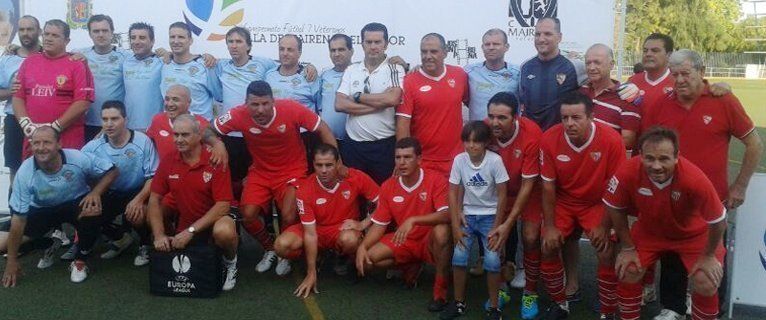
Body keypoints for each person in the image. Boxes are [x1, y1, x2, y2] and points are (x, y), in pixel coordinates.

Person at [645, 49, 764, 317]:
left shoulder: (724, 101)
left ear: (701, 71)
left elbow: (754, 144)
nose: (679, 80)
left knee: (712, 257)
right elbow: (646, 148)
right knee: (671, 255)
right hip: (671, 198)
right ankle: (672, 308)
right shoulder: (661, 104)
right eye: (674, 75)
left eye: (685, 73)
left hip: (712, 202)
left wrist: (740, 186)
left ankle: (710, 308)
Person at [212, 80, 340, 276]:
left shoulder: (290, 108)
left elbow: (321, 127)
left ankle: (285, 255)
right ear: (246, 103)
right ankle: (270, 248)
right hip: (260, 172)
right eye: (254, 104)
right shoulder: (238, 114)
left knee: (289, 214)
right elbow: (208, 130)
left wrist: (337, 162)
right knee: (248, 214)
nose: (260, 110)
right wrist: (217, 143)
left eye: (265, 104)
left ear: (274, 102)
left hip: (292, 170)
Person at [604, 127, 728, 320]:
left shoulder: (693, 178)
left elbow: (719, 220)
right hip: (650, 232)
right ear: (641, 156)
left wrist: (708, 255)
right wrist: (627, 247)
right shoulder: (628, 170)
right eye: (650, 158)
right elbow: (614, 206)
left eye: (664, 159)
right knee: (628, 270)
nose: (656, 165)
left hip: (694, 236)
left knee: (705, 280)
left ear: (677, 156)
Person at [538, 91, 626, 319]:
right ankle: (560, 304)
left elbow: (615, 190)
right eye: (564, 118)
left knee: (606, 249)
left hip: (598, 202)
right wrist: (549, 226)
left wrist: (604, 226)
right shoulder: (549, 139)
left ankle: (608, 310)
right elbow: (548, 187)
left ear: (591, 117)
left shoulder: (611, 140)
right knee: (548, 245)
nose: (569, 123)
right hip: (564, 202)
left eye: (576, 117)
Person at [1, 126, 118, 285]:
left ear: (59, 144)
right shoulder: (25, 173)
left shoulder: (77, 158)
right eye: (36, 143)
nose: (41, 148)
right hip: (42, 210)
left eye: (47, 142)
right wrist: (11, 261)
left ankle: (80, 260)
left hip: (75, 204)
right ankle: (47, 241)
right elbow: (18, 221)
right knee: (4, 243)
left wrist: (95, 192)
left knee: (92, 211)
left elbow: (113, 171)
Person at [355, 137, 452, 312]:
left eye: (407, 157)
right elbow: (379, 225)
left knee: (442, 232)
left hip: (429, 240)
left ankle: (440, 291)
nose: (402, 162)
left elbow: (446, 215)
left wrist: (413, 220)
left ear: (419, 159)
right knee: (369, 260)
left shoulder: (436, 179)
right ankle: (410, 265)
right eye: (398, 158)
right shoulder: (388, 186)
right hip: (404, 239)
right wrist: (363, 246)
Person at [147, 114, 239, 291]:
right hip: (187, 223)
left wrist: (191, 231)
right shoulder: (169, 160)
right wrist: (159, 235)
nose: (179, 140)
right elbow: (154, 198)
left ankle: (231, 262)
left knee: (224, 231)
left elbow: (223, 205)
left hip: (215, 220)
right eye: (176, 135)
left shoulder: (215, 159)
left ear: (199, 136)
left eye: (185, 135)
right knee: (153, 215)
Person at [274, 143, 379, 297]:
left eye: (329, 165)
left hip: (341, 229)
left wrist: (363, 223)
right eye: (319, 165)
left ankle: (343, 258)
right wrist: (311, 273)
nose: (323, 170)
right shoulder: (305, 189)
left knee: (350, 239)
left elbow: (384, 203)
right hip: (315, 229)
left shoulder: (355, 177)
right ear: (313, 165)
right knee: (281, 246)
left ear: (338, 163)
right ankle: (314, 260)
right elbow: (310, 233)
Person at [484, 92, 544, 319]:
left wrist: (509, 223)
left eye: (502, 117)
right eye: (491, 116)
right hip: (499, 192)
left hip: (528, 191)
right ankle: (501, 289)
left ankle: (530, 292)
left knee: (529, 236)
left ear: (516, 117)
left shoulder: (531, 134)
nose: (495, 122)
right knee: (495, 237)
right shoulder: (484, 131)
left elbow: (529, 185)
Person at [440, 121, 508, 320]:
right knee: (459, 257)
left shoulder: (495, 161)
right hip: (468, 215)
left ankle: (494, 307)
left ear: (486, 142)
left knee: (493, 261)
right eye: (467, 141)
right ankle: (459, 302)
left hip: (489, 216)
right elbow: (452, 192)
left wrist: (497, 226)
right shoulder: (459, 160)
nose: (471, 146)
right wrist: (455, 222)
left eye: (476, 141)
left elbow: (502, 195)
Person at [80, 101, 158, 266]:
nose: (109, 124)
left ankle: (145, 244)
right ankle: (120, 239)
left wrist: (138, 200)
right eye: (105, 119)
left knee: (138, 213)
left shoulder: (142, 141)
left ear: (125, 120)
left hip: (137, 191)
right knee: (85, 212)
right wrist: (93, 194)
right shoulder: (92, 147)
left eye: (114, 119)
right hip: (110, 192)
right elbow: (78, 173)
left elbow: (153, 177)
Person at [336, 23, 404, 184]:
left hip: (383, 147)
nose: (373, 46)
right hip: (353, 147)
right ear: (362, 44)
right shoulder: (351, 70)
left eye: (378, 42)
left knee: (383, 198)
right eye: (369, 42)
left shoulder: (395, 68)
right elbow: (339, 104)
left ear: (386, 44)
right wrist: (379, 103)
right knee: (354, 199)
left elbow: (393, 99)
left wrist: (358, 97)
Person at [12, 19, 94, 151]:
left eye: (55, 35)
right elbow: (18, 97)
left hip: (67, 140)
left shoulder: (77, 64)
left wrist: (55, 128)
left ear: (67, 41)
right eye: (46, 34)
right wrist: (27, 126)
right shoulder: (29, 62)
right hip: (34, 138)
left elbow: (83, 102)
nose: (49, 38)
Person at [396, 33, 468, 177]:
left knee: (453, 200)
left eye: (433, 51)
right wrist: (406, 159)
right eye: (424, 51)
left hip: (456, 159)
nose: (428, 56)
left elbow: (472, 102)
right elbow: (402, 124)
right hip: (423, 160)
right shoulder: (409, 81)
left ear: (445, 53)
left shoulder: (459, 74)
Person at [519, 18, 580, 131]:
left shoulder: (575, 66)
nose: (541, 39)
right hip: (532, 136)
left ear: (559, 37)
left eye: (547, 34)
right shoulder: (525, 67)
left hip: (560, 138)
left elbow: (601, 81)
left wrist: (624, 89)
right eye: (537, 34)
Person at [0, 15, 40, 185]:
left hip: (42, 121)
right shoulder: (7, 59)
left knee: (43, 167)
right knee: (15, 168)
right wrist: (12, 91)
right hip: (14, 121)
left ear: (38, 31)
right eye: (22, 29)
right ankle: (16, 208)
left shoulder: (49, 56)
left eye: (30, 29)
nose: (25, 33)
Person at [579, 43, 641, 152]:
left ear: (611, 64)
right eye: (588, 63)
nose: (591, 67)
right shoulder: (580, 92)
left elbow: (627, 141)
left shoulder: (626, 97)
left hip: (606, 163)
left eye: (597, 62)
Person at [77, 14, 129, 140]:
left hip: (114, 124)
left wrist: (167, 54)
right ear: (90, 34)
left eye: (105, 30)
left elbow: (148, 58)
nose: (101, 34)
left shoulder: (126, 56)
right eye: (96, 31)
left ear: (112, 33)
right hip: (85, 122)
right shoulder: (78, 55)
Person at [160, 22, 221, 121]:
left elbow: (218, 97)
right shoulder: (164, 64)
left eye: (181, 37)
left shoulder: (206, 65)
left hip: (199, 128)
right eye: (172, 37)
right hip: (171, 127)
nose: (176, 41)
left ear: (190, 41)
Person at [465, 28, 520, 122]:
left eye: (496, 44)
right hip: (479, 133)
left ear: (506, 47)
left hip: (507, 134)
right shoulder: (469, 71)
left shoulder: (518, 73)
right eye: (487, 44)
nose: (491, 47)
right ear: (482, 47)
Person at [122, 22, 164, 132]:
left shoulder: (162, 61)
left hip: (154, 127)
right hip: (129, 127)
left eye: (142, 38)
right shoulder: (125, 61)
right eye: (133, 38)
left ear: (152, 41)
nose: (136, 42)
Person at [264, 34, 321, 113]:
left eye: (290, 50)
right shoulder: (269, 76)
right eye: (281, 49)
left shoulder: (310, 76)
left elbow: (321, 109)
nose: (285, 53)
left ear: (299, 53)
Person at [319, 34, 353, 143]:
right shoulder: (324, 75)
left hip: (353, 141)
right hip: (327, 139)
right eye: (333, 50)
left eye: (341, 49)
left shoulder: (360, 73)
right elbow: (319, 107)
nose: (336, 54)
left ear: (351, 51)